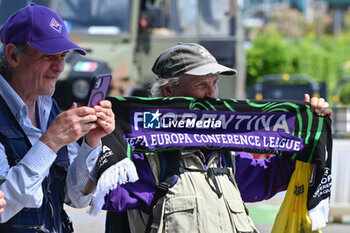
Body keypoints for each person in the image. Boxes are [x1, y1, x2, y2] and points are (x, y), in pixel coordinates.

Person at [104, 43, 332, 233]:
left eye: (214, 83)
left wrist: (309, 132)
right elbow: (91, 191)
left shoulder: (223, 153)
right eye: (201, 84)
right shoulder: (142, 158)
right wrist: (97, 139)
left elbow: (271, 176)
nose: (212, 94)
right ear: (169, 92)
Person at [0, 4, 115, 233]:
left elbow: (76, 198)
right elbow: (5, 205)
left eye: (63, 56)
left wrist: (92, 142)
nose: (60, 66)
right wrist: (50, 142)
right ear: (13, 55)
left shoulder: (48, 107)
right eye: (48, 56)